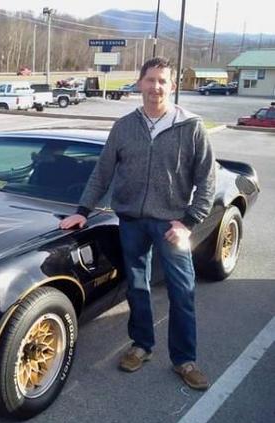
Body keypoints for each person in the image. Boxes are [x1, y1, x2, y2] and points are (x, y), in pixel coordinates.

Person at [60, 57, 215, 390]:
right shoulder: (124, 127)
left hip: (171, 225)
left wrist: (188, 222)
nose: (155, 87)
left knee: (182, 292)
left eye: (162, 81)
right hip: (130, 221)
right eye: (150, 80)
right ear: (139, 83)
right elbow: (102, 172)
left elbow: (207, 179)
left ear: (171, 86)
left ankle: (184, 360)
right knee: (137, 287)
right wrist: (82, 210)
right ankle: (142, 346)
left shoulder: (190, 127)